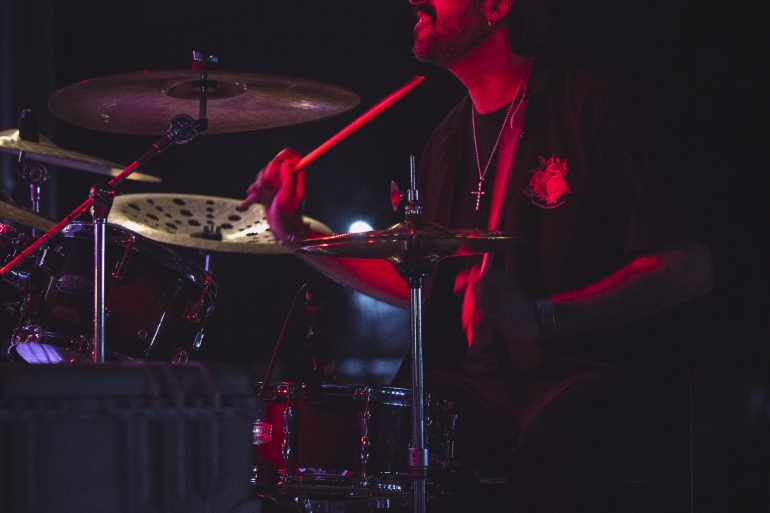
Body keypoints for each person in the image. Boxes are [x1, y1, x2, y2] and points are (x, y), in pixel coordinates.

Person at [240, 0, 714, 510]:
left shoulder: (594, 105)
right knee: (377, 441)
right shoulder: (447, 142)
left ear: (496, 7)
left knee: (552, 444)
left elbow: (691, 268)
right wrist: (295, 234)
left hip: (585, 373)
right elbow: (418, 282)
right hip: (477, 389)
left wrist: (544, 315)